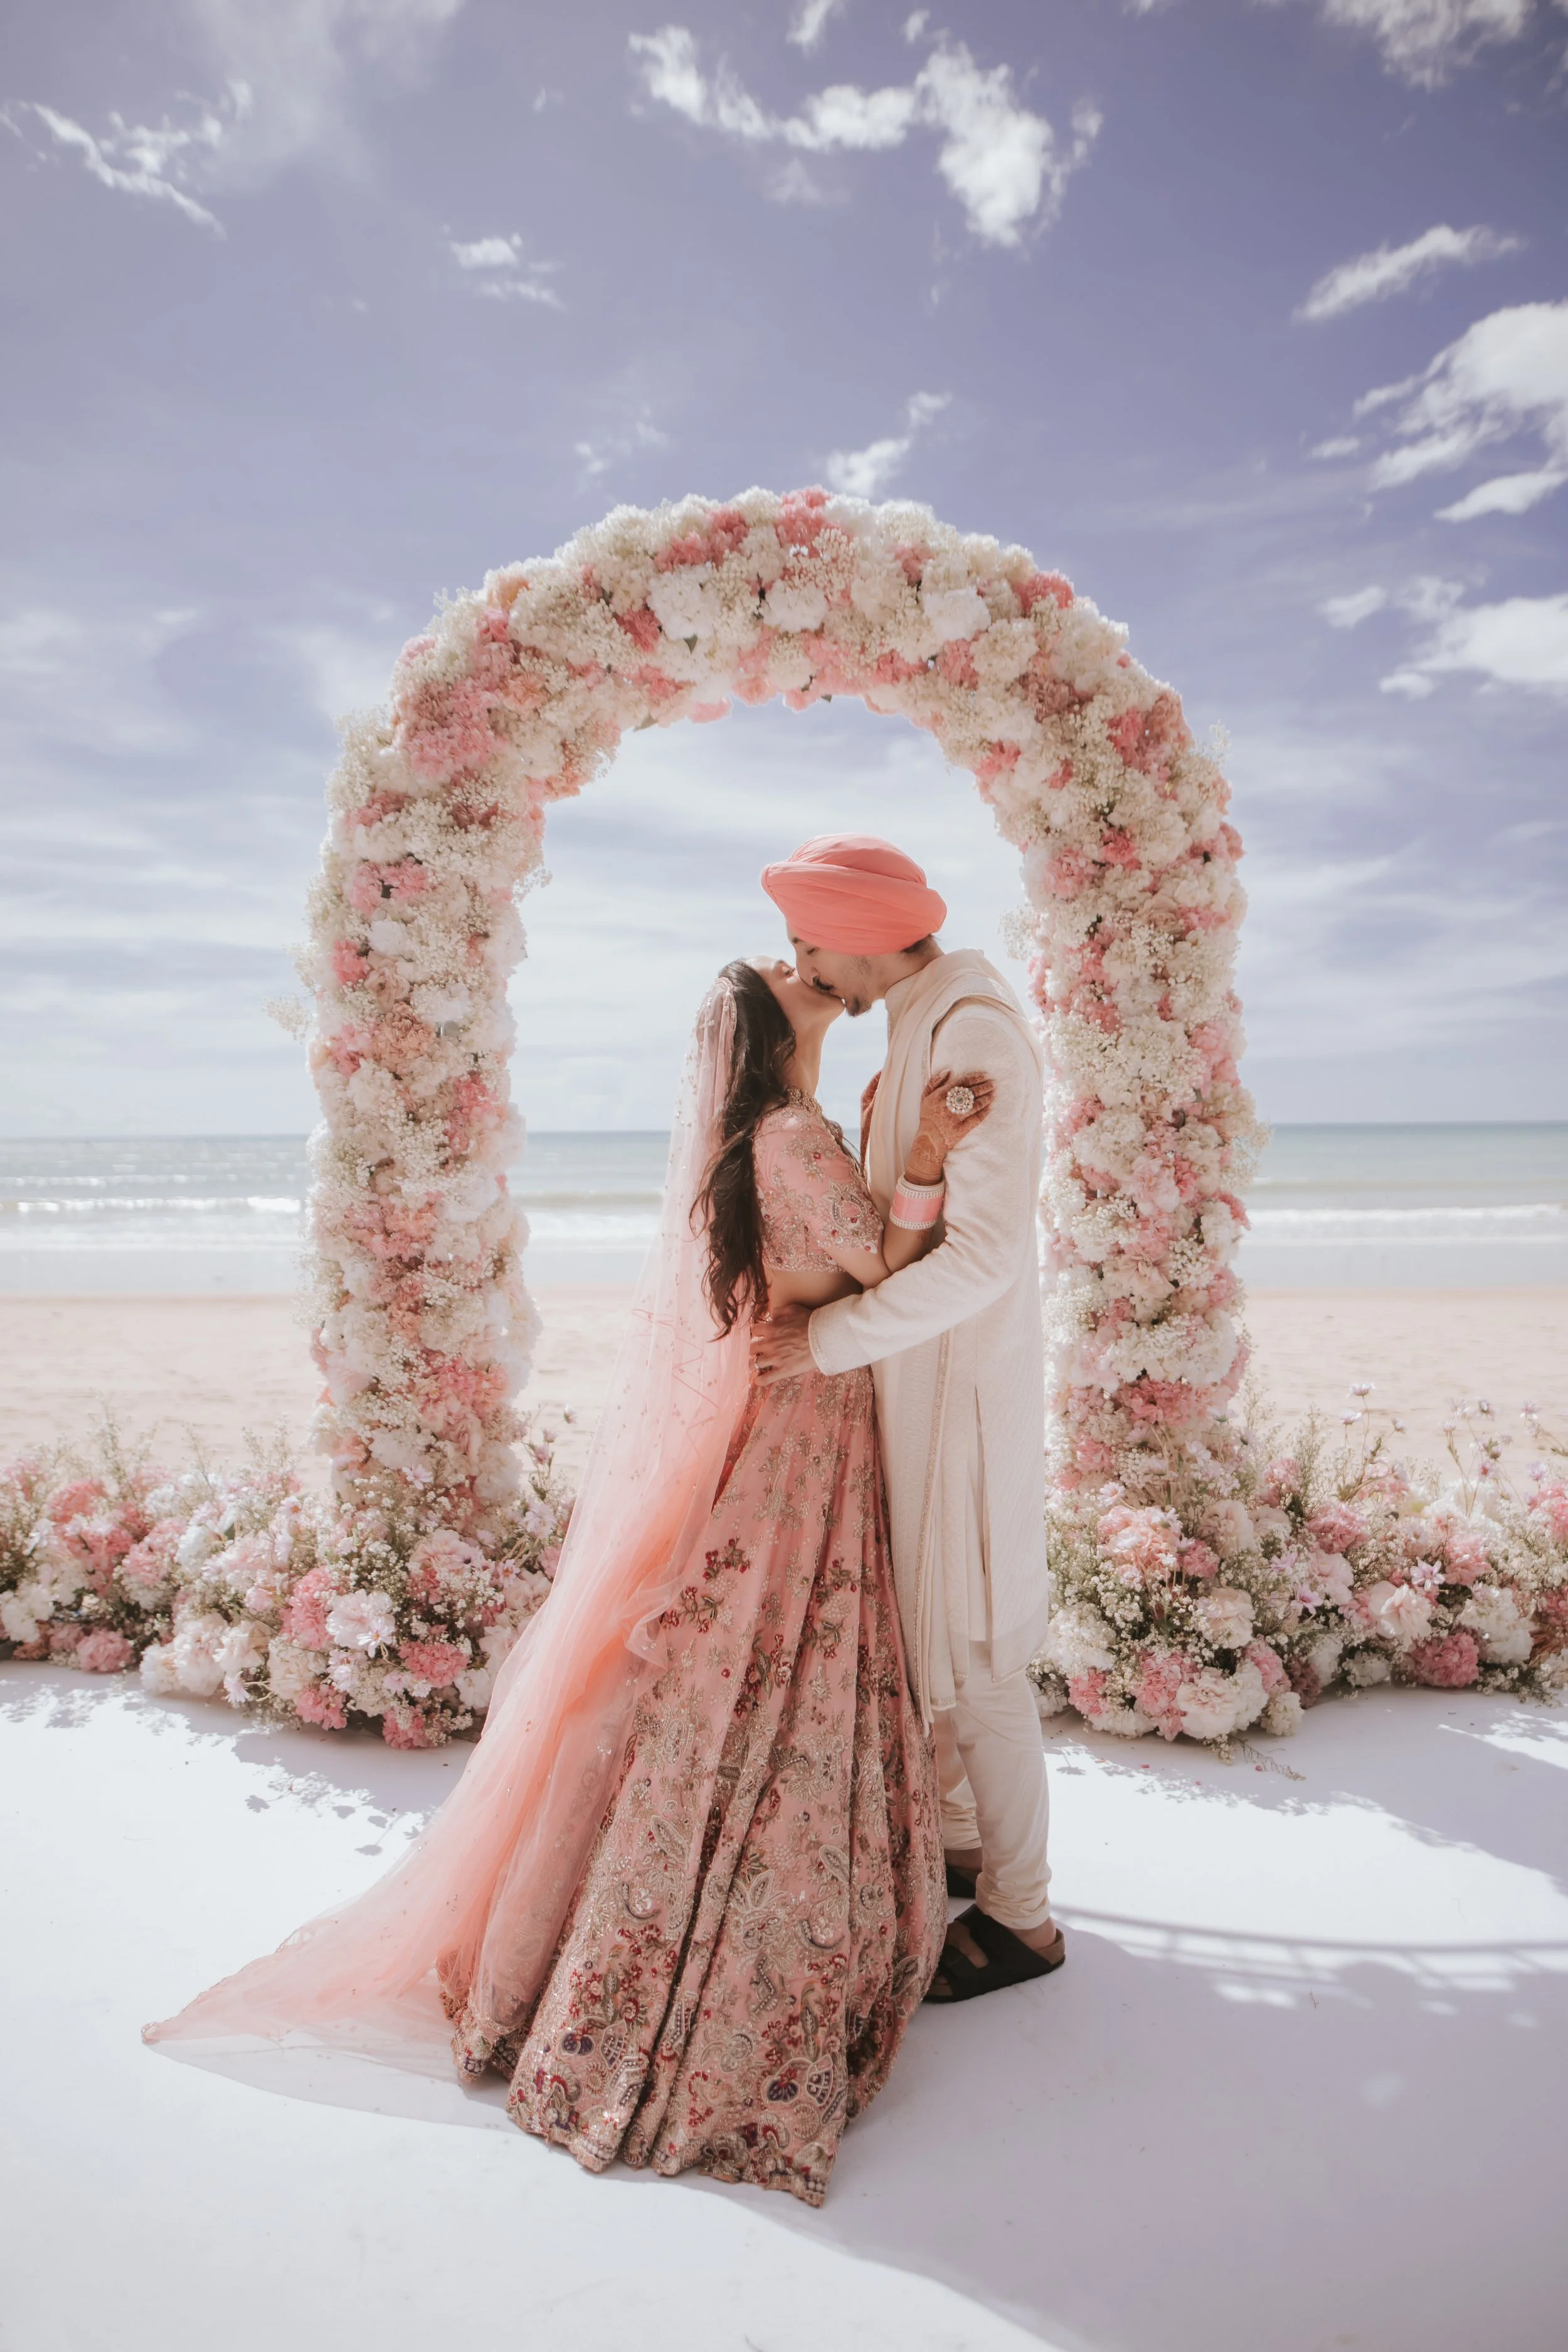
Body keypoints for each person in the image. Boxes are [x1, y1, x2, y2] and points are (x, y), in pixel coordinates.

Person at [146, 955, 992, 2208]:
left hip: (789, 1424)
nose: (798, 960)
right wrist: (918, 1150)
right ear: (771, 1025)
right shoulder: (792, 1135)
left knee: (722, 1672)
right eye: (782, 968)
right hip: (809, 1437)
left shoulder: (755, 1136)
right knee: (768, 1670)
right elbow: (887, 1274)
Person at [753, 835, 1062, 2004]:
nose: (806, 964)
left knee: (983, 1661)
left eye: (808, 939)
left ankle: (1025, 1921)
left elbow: (981, 1259)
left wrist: (826, 1342)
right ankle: (972, 1853)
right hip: (925, 1387)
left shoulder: (971, 1027)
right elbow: (904, 1224)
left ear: (859, 929)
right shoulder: (917, 1022)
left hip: (965, 1397)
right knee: (946, 1646)